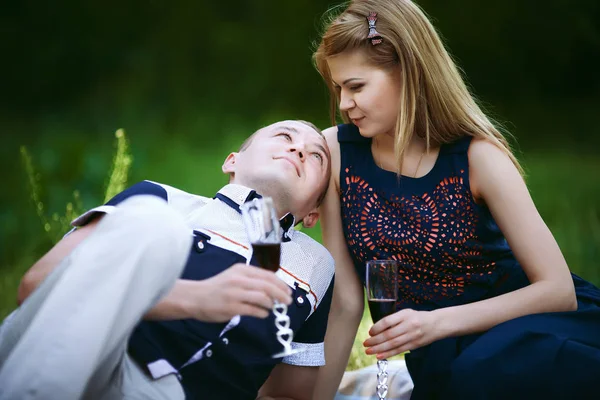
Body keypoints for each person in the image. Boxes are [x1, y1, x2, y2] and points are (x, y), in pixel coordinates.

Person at [310, 1, 600, 399]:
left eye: (357, 86)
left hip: (532, 333)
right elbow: (345, 302)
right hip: (445, 356)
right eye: (338, 88)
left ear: (409, 73)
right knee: (458, 378)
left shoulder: (479, 158)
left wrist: (438, 323)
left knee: (480, 372)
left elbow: (557, 290)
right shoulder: (337, 152)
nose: (344, 103)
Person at [0, 119, 335, 400]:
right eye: (284, 136)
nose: (299, 149)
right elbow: (36, 287)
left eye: (317, 156)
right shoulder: (160, 201)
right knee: (157, 222)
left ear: (314, 213)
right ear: (232, 162)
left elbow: (290, 392)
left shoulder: (315, 265)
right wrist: (194, 299)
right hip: (81, 356)